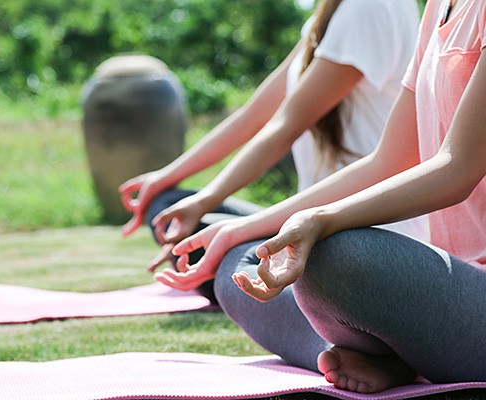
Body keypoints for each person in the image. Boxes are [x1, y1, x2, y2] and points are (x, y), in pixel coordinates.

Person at [157, 0, 486, 393]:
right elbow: (385, 162)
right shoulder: (439, 7)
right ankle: (364, 354)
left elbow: (458, 168)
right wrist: (239, 228)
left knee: (330, 256)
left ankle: (385, 353)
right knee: (239, 266)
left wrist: (321, 220)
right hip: (448, 282)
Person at [119, 0, 428, 303]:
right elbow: (254, 115)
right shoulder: (329, 12)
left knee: (233, 272)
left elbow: (284, 127)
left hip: (365, 233)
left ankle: (336, 334)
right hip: (308, 223)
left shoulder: (369, 8)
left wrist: (210, 201)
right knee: (169, 206)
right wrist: (167, 178)